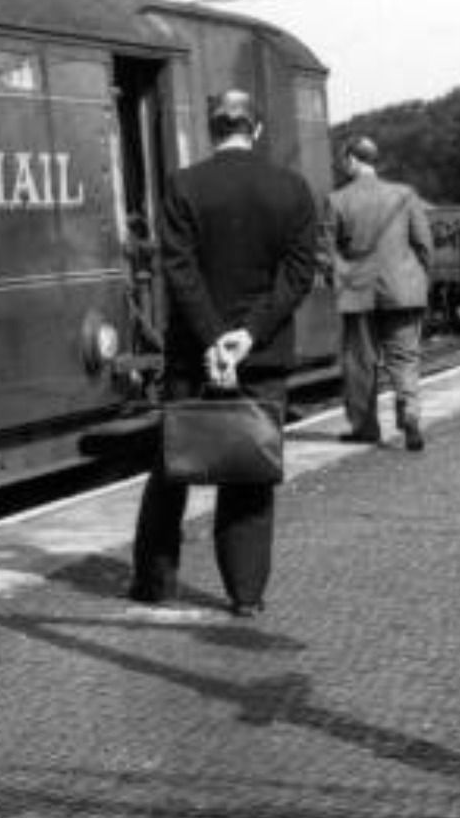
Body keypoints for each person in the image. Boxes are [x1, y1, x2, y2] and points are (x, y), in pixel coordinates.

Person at [130, 89, 318, 617]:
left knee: (171, 466)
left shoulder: (184, 186)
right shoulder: (291, 189)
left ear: (214, 130)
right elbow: (299, 273)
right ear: (255, 129)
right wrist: (249, 335)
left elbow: (179, 270)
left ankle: (155, 582)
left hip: (195, 355)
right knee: (250, 472)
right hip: (261, 358)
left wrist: (214, 336)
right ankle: (246, 594)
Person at [322, 135, 433, 451]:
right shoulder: (404, 194)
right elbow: (424, 244)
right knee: (405, 357)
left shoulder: (337, 200)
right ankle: (409, 412)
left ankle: (365, 427)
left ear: (351, 160)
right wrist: (420, 282)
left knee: (360, 361)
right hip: (403, 289)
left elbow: (326, 251)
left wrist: (343, 277)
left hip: (358, 291)